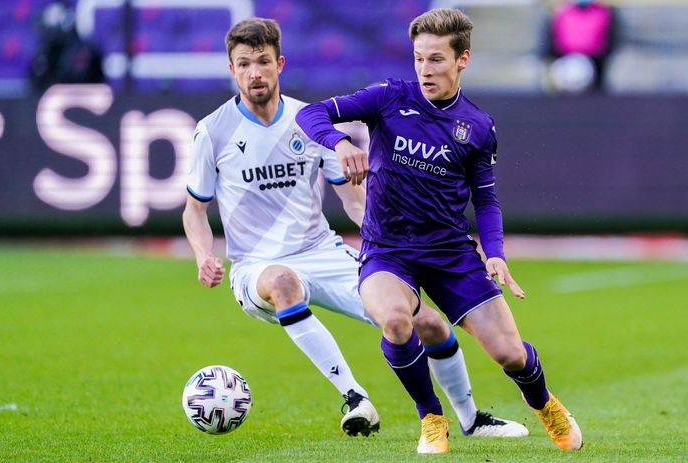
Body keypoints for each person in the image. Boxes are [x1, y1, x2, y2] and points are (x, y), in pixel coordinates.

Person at [183, 17, 528, 443]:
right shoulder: (213, 130)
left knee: (428, 324)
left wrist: (390, 246)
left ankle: (471, 419)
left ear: (279, 64)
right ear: (231, 70)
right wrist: (203, 256)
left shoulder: (304, 121)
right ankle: (354, 397)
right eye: (244, 64)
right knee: (284, 283)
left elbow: (352, 199)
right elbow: (194, 210)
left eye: (263, 62)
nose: (255, 73)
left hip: (321, 252)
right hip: (256, 265)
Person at [296, 8, 583, 454]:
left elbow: (485, 199)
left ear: (462, 59)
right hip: (388, 249)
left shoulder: (478, 126)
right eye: (418, 59)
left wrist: (495, 252)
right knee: (395, 320)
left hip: (450, 253)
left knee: (510, 354)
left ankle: (545, 404)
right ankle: (431, 419)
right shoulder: (389, 97)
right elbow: (312, 113)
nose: (425, 69)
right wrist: (340, 141)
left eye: (435, 59)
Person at [547, 0, 614, 93]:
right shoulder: (562, 12)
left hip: (595, 60)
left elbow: (607, 40)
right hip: (565, 59)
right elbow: (554, 39)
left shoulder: (603, 12)